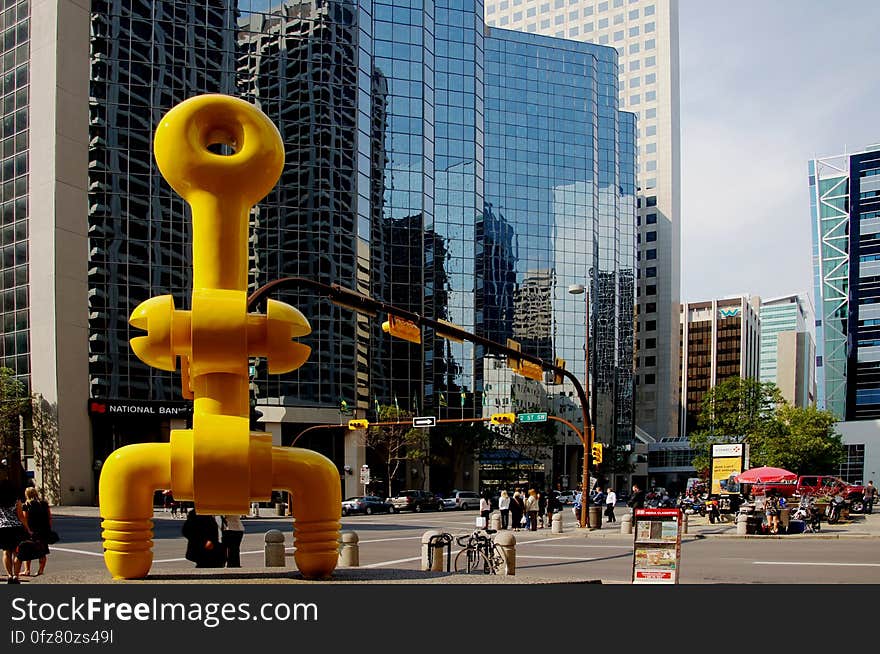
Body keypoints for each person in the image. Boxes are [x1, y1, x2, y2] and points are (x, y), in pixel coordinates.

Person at [20, 487, 53, 577]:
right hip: (43, 530)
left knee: (27, 550)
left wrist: (27, 530)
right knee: (42, 551)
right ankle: (40, 570)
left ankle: (27, 570)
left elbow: (24, 519)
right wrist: (49, 528)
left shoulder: (26, 505)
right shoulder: (44, 503)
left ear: (27, 494)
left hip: (31, 531)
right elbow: (49, 516)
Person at [0, 480, 27, 584]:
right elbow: (20, 516)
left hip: (3, 528)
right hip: (16, 528)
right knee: (17, 553)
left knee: (6, 552)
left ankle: (9, 575)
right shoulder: (16, 500)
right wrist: (28, 528)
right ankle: (16, 575)